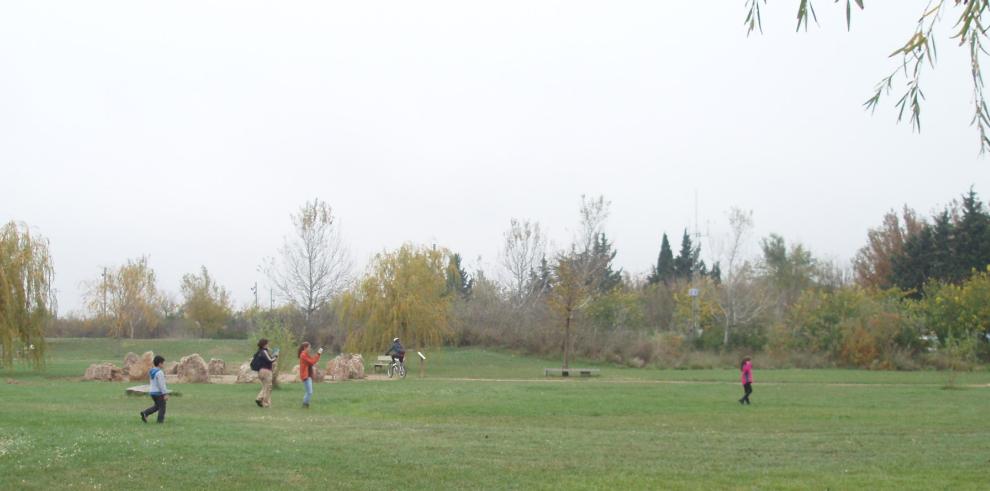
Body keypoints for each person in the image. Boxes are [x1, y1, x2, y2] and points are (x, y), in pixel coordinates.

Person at [140, 355, 169, 423]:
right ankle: (160, 421)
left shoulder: (151, 371)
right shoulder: (160, 372)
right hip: (158, 393)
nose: (163, 365)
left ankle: (145, 413)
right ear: (159, 363)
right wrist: (165, 394)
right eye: (163, 363)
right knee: (162, 407)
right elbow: (161, 384)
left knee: (157, 406)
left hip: (152, 392)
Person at [298, 342, 324, 408]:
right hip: (305, 375)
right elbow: (312, 361)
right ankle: (305, 404)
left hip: (308, 375)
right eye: (309, 347)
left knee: (309, 391)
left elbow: (312, 361)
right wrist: (318, 354)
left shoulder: (305, 354)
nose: (310, 349)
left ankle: (306, 404)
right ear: (305, 347)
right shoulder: (303, 355)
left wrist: (318, 354)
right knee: (309, 392)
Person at [254, 338, 278, 408]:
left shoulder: (260, 351)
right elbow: (270, 360)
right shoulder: (264, 351)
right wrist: (276, 356)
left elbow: (267, 359)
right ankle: (263, 401)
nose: (268, 345)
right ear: (264, 344)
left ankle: (261, 400)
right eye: (267, 343)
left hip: (261, 371)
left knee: (265, 387)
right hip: (266, 371)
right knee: (268, 387)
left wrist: (272, 354)